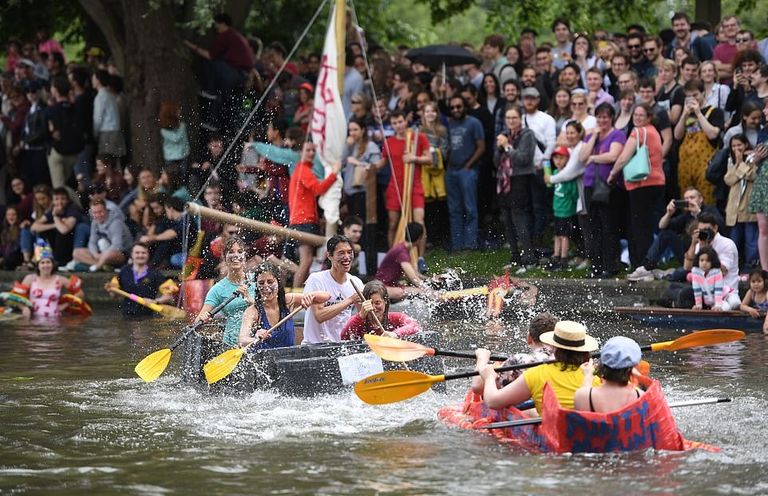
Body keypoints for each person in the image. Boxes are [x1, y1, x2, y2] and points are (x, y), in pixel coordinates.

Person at [474, 320, 601, 413]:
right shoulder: (592, 375)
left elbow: (492, 402)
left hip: (551, 434)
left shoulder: (537, 373)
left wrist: (489, 376)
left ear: (553, 346)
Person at [608, 103, 666, 270]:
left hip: (641, 182)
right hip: (657, 182)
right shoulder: (654, 132)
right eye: (636, 115)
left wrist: (613, 174)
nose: (637, 118)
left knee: (639, 226)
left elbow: (623, 157)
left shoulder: (638, 131)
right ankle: (648, 260)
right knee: (647, 224)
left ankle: (642, 263)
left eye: (641, 115)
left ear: (649, 117)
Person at [237, 263, 329, 349]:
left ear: (278, 283)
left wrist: (310, 297)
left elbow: (326, 296)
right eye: (261, 283)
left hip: (288, 361)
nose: (266, 286)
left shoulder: (288, 301)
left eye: (270, 282)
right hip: (264, 363)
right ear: (256, 286)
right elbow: (242, 340)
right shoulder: (253, 311)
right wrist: (256, 338)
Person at [287, 141, 340, 287]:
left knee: (309, 260)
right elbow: (318, 189)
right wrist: (334, 174)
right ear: (300, 153)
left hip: (303, 220)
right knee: (307, 260)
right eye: (308, 150)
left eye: (313, 150)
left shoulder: (302, 170)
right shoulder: (303, 170)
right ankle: (295, 293)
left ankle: (297, 292)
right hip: (303, 221)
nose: (311, 153)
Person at [471, 312, 556, 394]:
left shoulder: (520, 360)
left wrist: (482, 359)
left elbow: (478, 387)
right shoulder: (565, 358)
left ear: (529, 338)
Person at [194, 235, 257, 346]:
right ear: (224, 258)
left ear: (245, 257)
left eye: (240, 251)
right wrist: (203, 319)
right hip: (231, 344)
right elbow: (197, 324)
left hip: (256, 340)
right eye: (231, 252)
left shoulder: (257, 282)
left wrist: (250, 300)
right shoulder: (217, 290)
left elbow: (267, 312)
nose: (236, 255)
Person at [495, 105, 537, 268]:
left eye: (514, 118)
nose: (511, 121)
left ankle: (528, 258)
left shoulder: (527, 135)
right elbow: (495, 162)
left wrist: (507, 147)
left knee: (519, 218)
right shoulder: (504, 135)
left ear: (521, 119)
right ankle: (514, 257)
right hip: (504, 180)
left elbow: (524, 159)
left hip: (521, 179)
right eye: (508, 118)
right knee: (507, 219)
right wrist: (500, 149)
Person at [302, 235, 363, 344]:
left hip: (342, 346)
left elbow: (362, 317)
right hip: (314, 346)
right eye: (341, 253)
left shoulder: (356, 282)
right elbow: (319, 316)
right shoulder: (316, 279)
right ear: (329, 256)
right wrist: (349, 300)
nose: (347, 257)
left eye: (349, 252)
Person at [674, 79, 725, 205]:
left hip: (705, 166)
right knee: (686, 201)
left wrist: (698, 112)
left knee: (707, 201)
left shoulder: (715, 112)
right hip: (686, 164)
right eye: (689, 96)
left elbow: (713, 134)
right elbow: (677, 135)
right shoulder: (686, 114)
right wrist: (684, 115)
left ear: (703, 93)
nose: (692, 99)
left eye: (695, 95)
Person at [446, 95, 486, 251]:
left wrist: (468, 165)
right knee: (454, 209)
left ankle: (470, 244)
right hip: (452, 170)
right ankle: (457, 245)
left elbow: (481, 147)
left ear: (464, 107)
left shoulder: (474, 123)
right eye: (453, 107)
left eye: (459, 106)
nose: (456, 110)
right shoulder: (450, 124)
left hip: (467, 170)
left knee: (470, 208)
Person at [184, 13, 254, 96]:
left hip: (235, 73)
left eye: (217, 24)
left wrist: (190, 45)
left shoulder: (225, 35)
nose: (215, 26)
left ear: (223, 24)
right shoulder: (235, 35)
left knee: (208, 61)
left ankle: (209, 91)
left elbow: (209, 56)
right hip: (243, 74)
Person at [573, 336, 644, 413]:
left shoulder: (582, 396)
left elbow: (584, 392)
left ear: (602, 363)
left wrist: (588, 375)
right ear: (633, 367)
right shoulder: (641, 397)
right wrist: (639, 377)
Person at [106, 242, 175, 317]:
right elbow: (114, 296)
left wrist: (155, 301)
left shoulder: (155, 274)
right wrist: (111, 290)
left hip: (147, 316)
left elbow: (169, 297)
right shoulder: (124, 271)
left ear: (148, 255)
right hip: (127, 315)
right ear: (132, 255)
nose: (140, 255)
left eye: (143, 253)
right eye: (137, 253)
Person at [341, 280, 421, 340]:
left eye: (377, 303)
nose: (373, 308)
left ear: (385, 301)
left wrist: (395, 334)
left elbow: (415, 326)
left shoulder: (396, 317)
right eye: (370, 303)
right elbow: (344, 336)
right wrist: (360, 315)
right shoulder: (359, 321)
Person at [19, 247, 85, 318]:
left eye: (48, 262)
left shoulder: (61, 280)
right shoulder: (30, 279)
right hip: (33, 321)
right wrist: (24, 308)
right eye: (42, 263)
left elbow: (80, 294)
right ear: (38, 266)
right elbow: (17, 297)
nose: (46, 265)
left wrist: (65, 305)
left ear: (53, 265)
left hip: (54, 321)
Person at [724, 134, 758, 268]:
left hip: (748, 207)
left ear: (746, 145)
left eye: (739, 145)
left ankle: (751, 266)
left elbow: (753, 175)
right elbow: (728, 179)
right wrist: (738, 165)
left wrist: (742, 164)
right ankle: (732, 266)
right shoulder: (731, 161)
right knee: (734, 240)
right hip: (734, 209)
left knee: (751, 240)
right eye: (733, 146)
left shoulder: (754, 159)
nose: (736, 148)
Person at [374, 222, 432, 301]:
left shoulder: (402, 248)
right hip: (380, 287)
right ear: (420, 238)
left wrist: (430, 279)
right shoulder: (402, 252)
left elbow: (414, 273)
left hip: (387, 285)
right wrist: (429, 291)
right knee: (417, 292)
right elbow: (413, 277)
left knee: (413, 289)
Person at [72, 198, 132, 272]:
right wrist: (95, 254)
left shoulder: (116, 222)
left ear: (105, 210)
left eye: (100, 212)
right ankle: (103, 266)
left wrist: (103, 255)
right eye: (95, 212)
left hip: (121, 254)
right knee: (76, 253)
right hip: (102, 253)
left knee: (108, 254)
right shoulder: (95, 222)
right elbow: (92, 242)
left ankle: (97, 266)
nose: (98, 215)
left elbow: (117, 246)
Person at [30, 187, 84, 266]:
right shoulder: (53, 209)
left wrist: (55, 216)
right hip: (58, 245)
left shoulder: (73, 208)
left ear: (68, 200)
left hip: (72, 246)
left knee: (60, 230)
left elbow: (64, 230)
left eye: (63, 199)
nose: (60, 202)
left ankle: (59, 261)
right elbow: (34, 226)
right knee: (42, 231)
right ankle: (43, 259)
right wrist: (55, 225)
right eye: (56, 199)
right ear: (53, 201)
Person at [550, 146, 578, 270]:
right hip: (557, 209)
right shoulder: (555, 173)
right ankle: (556, 255)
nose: (558, 161)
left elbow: (574, 192)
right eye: (556, 158)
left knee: (564, 235)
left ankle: (564, 257)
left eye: (561, 158)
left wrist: (571, 204)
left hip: (566, 210)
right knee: (557, 234)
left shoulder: (568, 175)